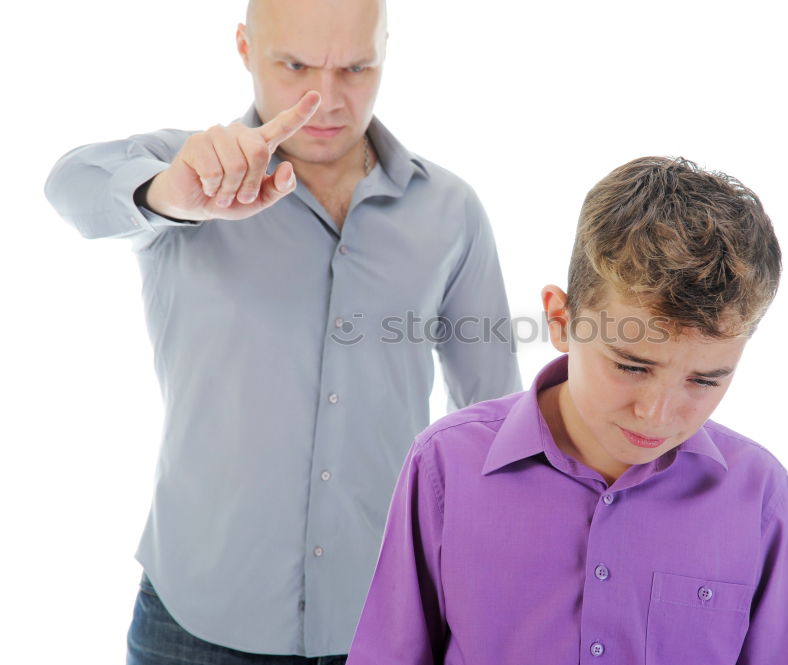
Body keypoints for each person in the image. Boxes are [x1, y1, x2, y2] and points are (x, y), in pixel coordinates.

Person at [43, 0, 520, 662]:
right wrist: (166, 196)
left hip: (382, 622)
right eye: (294, 65)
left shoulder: (450, 211)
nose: (326, 99)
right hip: (194, 622)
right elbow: (70, 183)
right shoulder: (189, 172)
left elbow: (492, 416)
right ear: (244, 46)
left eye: (357, 66)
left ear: (386, 49)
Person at [349, 156, 788, 664]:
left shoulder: (757, 494)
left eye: (705, 380)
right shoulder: (446, 463)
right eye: (631, 366)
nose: (656, 413)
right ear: (560, 320)